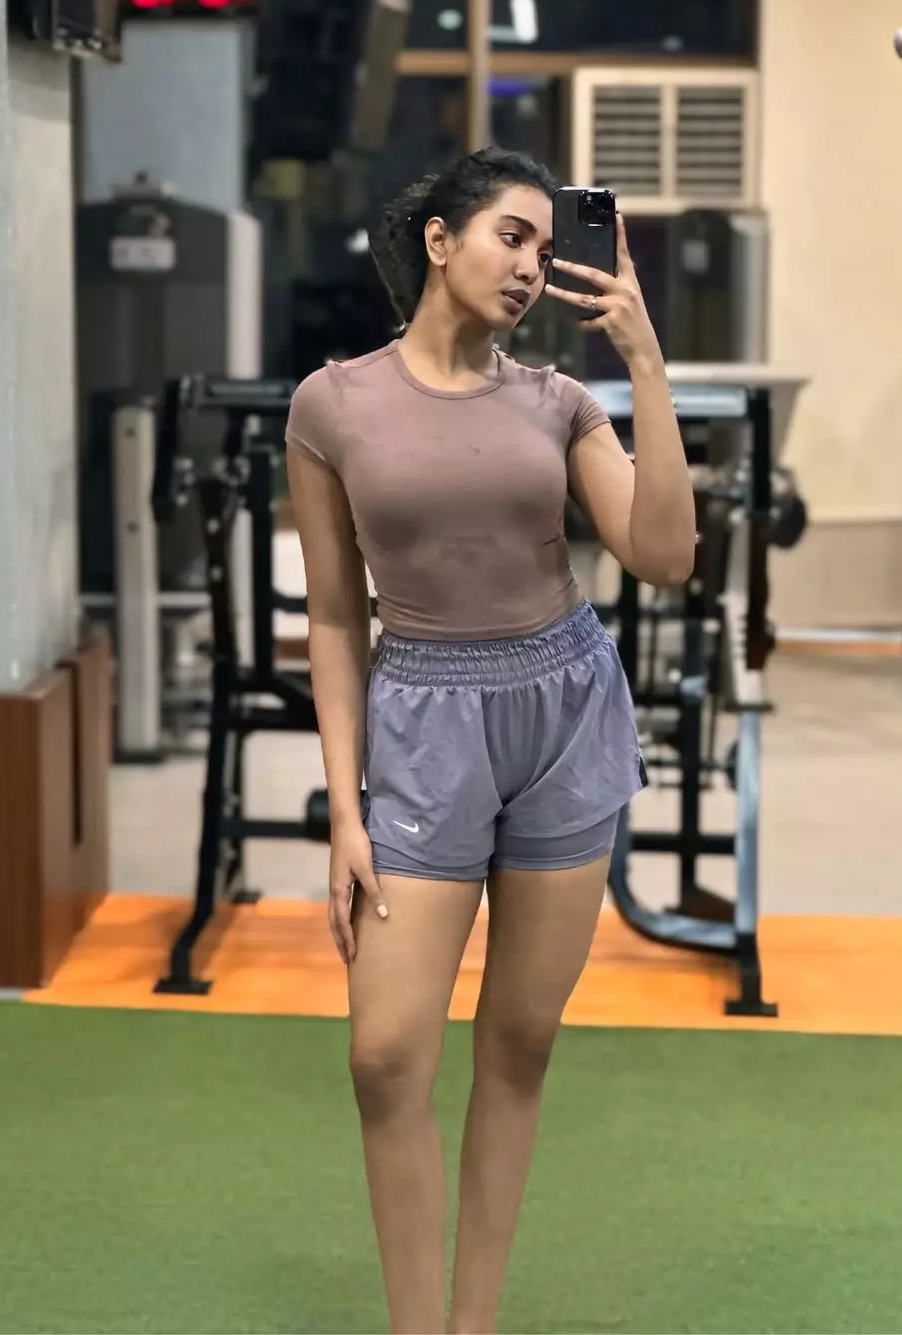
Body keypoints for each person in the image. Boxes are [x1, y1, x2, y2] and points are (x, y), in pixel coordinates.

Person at [285, 148, 696, 1334]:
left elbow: (664, 554)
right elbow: (332, 617)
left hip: (562, 709)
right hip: (422, 721)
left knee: (518, 1039)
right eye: (511, 235)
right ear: (438, 240)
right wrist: (346, 809)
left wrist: (643, 358)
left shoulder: (559, 401)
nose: (529, 266)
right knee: (384, 1055)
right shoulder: (332, 405)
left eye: (544, 248)